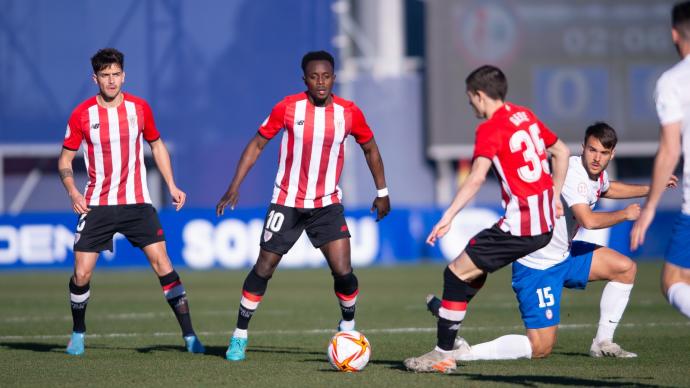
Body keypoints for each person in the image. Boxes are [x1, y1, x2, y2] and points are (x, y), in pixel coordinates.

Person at [426, 122, 677, 361]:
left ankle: (602, 343)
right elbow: (587, 221)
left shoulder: (596, 174)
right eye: (592, 150)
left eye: (603, 152)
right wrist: (625, 214)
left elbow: (608, 188)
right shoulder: (572, 174)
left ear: (612, 154)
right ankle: (463, 353)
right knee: (540, 347)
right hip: (538, 265)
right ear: (583, 147)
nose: (597, 158)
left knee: (625, 268)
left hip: (564, 255)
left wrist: (652, 187)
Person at [215, 50, 390, 362]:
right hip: (286, 202)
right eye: (314, 77)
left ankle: (347, 327)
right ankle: (239, 335)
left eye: (325, 76)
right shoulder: (287, 107)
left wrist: (382, 190)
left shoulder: (349, 113)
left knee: (344, 271)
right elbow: (257, 144)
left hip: (326, 204)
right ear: (305, 80)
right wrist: (234, 185)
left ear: (334, 78)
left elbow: (370, 148)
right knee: (263, 267)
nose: (320, 82)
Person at [403, 65, 570, 373]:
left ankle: (443, 352)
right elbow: (561, 150)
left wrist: (448, 216)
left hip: (521, 226)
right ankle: (448, 318)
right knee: (473, 270)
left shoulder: (490, 128)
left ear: (480, 95)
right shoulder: (525, 116)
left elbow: (477, 177)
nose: (471, 105)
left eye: (470, 99)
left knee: (455, 274)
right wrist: (554, 195)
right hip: (545, 224)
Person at [58, 48, 204, 356]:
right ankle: (78, 333)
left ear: (124, 75)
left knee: (163, 264)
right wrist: (72, 190)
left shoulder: (139, 109)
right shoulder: (82, 114)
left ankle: (190, 336)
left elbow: (157, 144)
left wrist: (171, 184)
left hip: (137, 203)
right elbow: (65, 160)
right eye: (104, 75)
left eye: (115, 75)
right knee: (81, 273)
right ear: (94, 78)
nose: (111, 81)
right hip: (97, 204)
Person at [630, 1, 690, 319]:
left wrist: (650, 206)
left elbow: (670, 149)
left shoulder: (673, 81)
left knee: (673, 281)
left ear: (674, 34)